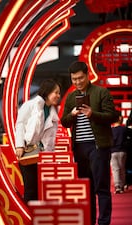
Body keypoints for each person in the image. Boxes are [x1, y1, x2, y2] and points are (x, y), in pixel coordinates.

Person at [60, 61, 118, 225]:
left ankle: (104, 222)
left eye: (80, 78)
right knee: (86, 189)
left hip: (98, 146)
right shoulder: (71, 97)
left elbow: (113, 116)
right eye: (74, 79)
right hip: (79, 147)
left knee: (102, 187)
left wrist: (93, 114)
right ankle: (89, 221)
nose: (77, 82)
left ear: (87, 75)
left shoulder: (101, 92)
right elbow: (64, 122)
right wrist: (71, 115)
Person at [14, 79, 61, 203]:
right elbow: (20, 125)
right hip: (28, 153)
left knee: (42, 189)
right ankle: (28, 217)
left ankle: (38, 217)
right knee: (31, 188)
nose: (58, 96)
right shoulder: (30, 105)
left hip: (43, 156)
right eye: (56, 92)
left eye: (59, 93)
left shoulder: (52, 111)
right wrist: (19, 145)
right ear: (47, 92)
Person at [110, 110, 127, 194]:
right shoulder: (124, 129)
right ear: (120, 118)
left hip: (113, 152)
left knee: (115, 169)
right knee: (122, 168)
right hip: (123, 151)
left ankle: (117, 186)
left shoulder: (111, 130)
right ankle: (123, 185)